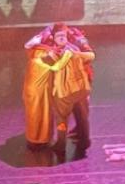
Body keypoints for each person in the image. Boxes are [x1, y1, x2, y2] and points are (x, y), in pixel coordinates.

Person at [23, 22, 94, 151]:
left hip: (66, 91)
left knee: (62, 119)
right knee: (81, 113)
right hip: (80, 87)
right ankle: (83, 138)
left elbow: (54, 65)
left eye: (62, 36)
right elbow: (90, 56)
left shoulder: (59, 52)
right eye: (59, 36)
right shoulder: (73, 48)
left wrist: (70, 54)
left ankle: (61, 144)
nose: (61, 38)